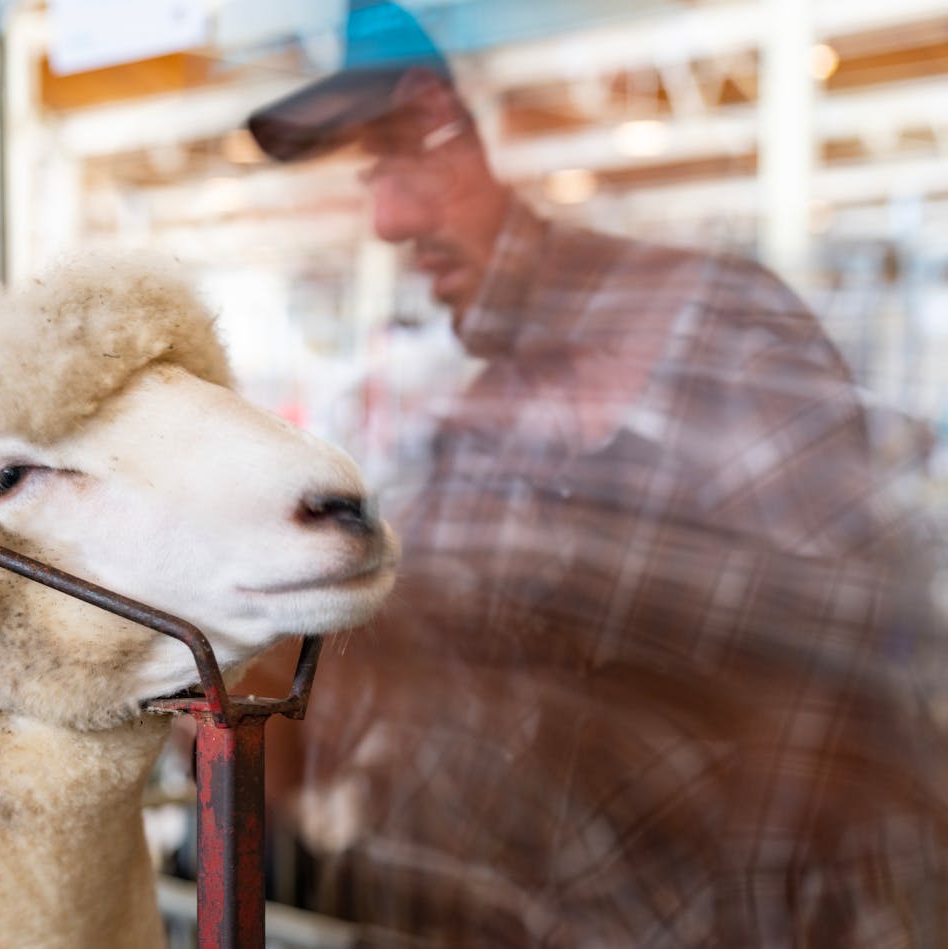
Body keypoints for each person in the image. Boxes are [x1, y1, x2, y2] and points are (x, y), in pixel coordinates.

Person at [241, 2, 948, 945]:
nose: (389, 216)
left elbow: (826, 739)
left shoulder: (728, 352)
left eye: (421, 149)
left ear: (541, 118)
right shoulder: (489, 415)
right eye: (377, 167)